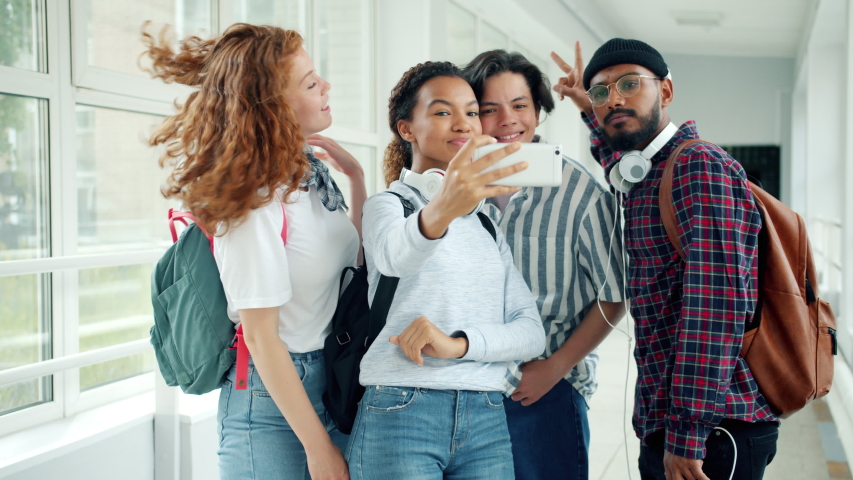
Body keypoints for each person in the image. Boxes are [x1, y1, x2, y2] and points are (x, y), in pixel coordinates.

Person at [142, 23, 368, 480]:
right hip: (272, 401)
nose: (326, 86)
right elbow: (263, 339)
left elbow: (353, 268)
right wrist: (318, 448)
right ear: (274, 107)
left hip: (331, 377)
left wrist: (358, 179)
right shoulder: (255, 201)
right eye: (309, 83)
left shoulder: (306, 182)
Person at [551, 39, 779, 480]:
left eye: (630, 84)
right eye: (602, 91)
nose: (615, 98)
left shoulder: (698, 166)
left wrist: (688, 435)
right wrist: (586, 104)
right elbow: (614, 154)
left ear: (666, 92)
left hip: (712, 431)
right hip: (671, 423)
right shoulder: (644, 170)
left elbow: (715, 308)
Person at [345, 61, 546, 480]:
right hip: (401, 410)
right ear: (406, 129)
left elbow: (531, 333)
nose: (463, 124)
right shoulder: (389, 206)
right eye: (442, 112)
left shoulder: (486, 222)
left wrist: (457, 344)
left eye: (472, 112)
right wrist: (444, 207)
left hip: (487, 416)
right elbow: (395, 256)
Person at [462, 50, 626, 480]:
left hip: (543, 389)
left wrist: (554, 369)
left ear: (538, 111)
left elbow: (615, 296)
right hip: (465, 389)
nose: (506, 121)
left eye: (519, 106)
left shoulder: (581, 193)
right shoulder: (453, 191)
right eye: (488, 109)